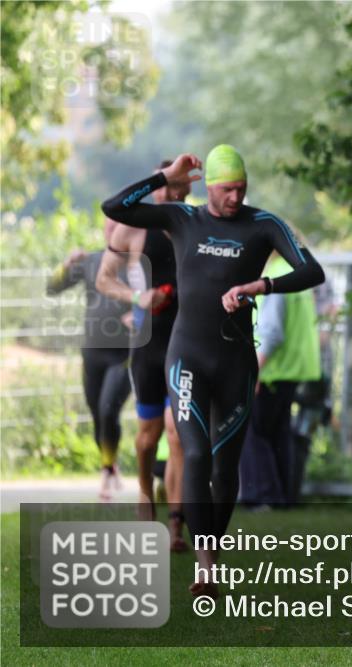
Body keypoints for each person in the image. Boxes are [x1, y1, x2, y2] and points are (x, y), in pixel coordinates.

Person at [101, 145, 325, 598]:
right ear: (210, 188)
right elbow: (115, 207)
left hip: (236, 362)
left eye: (242, 189)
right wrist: (166, 175)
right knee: (196, 454)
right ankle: (205, 568)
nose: (235, 198)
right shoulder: (183, 219)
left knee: (225, 470)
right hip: (186, 356)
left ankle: (211, 555)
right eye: (226, 190)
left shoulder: (263, 225)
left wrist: (261, 286)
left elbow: (311, 271)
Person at [96, 159, 189, 550]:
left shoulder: (195, 224)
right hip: (149, 344)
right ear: (156, 188)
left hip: (186, 342)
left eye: (177, 189)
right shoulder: (133, 227)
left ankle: (175, 527)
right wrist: (138, 297)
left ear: (187, 190)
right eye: (164, 187)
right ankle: (144, 490)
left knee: (178, 433)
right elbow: (104, 278)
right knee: (148, 438)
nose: (170, 195)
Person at [45, 222, 133, 501]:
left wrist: (143, 318)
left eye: (118, 226)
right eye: (107, 226)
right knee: (97, 413)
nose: (111, 231)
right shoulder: (92, 260)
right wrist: (66, 263)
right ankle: (110, 463)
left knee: (108, 408)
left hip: (125, 354)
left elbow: (162, 297)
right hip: (92, 353)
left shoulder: (140, 264)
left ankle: (107, 470)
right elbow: (52, 287)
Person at [238, 251, 322, 509]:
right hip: (293, 368)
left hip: (272, 369)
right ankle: (282, 496)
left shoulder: (274, 275)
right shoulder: (295, 272)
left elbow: (271, 331)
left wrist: (255, 371)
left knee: (254, 432)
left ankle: (262, 496)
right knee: (278, 433)